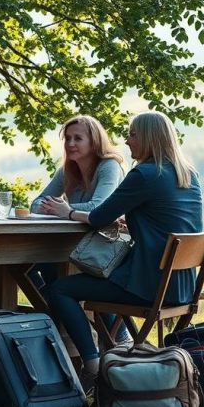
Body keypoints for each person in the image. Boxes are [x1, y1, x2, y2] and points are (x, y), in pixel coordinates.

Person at [42, 111, 203, 395]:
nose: (127, 142)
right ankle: (118, 351)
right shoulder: (188, 174)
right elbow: (167, 219)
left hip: (149, 284)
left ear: (149, 138)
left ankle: (93, 367)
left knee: (61, 290)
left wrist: (67, 212)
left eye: (132, 134)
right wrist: (135, 219)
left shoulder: (144, 173)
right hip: (181, 285)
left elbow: (99, 216)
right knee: (96, 279)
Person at [30, 115, 125, 291]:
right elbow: (35, 204)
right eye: (67, 138)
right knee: (21, 263)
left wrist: (64, 210)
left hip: (101, 249)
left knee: (40, 264)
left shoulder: (109, 165)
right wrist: (56, 209)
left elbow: (98, 208)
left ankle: (52, 308)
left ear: (94, 141)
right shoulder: (67, 170)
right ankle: (48, 308)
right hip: (68, 242)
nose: (70, 143)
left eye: (78, 138)